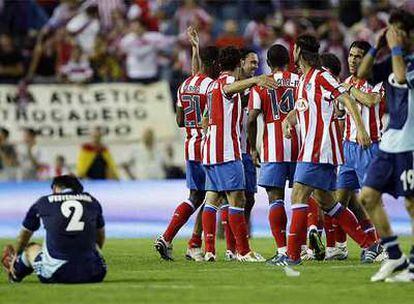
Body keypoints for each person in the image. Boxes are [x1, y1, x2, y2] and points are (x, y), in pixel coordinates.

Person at [272, 34, 374, 266]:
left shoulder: (321, 77)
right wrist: (289, 122)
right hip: (310, 149)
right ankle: (370, 244)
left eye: (293, 48)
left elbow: (346, 98)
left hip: (320, 148)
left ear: (297, 50)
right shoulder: (303, 79)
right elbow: (302, 110)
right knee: (328, 202)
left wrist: (360, 128)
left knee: (298, 194)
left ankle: (292, 255)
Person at [201, 46, 277, 262]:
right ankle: (243, 251)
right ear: (237, 66)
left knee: (212, 198)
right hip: (226, 151)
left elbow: (205, 119)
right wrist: (255, 80)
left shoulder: (211, 87)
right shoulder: (226, 84)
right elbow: (231, 89)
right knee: (238, 199)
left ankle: (209, 251)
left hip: (210, 151)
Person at [358, 20, 414, 282]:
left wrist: (394, 48)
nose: (394, 34)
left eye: (398, 30)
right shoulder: (392, 57)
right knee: (367, 197)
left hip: (411, 145)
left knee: (412, 204)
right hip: (389, 143)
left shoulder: (406, 61)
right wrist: (376, 46)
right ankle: (395, 256)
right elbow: (362, 73)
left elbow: (401, 78)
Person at [154, 44, 219, 262]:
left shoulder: (184, 85)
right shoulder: (212, 86)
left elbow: (180, 120)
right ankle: (197, 246)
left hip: (191, 147)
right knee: (213, 197)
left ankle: (167, 236)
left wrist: (195, 47)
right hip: (209, 148)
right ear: (215, 64)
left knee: (195, 197)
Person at [332, 41, 385, 261]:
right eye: (351, 55)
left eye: (358, 56)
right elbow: (340, 112)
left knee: (371, 200)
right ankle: (341, 246)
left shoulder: (376, 82)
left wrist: (349, 89)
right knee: (339, 200)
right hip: (348, 149)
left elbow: (372, 101)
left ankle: (383, 247)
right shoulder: (345, 82)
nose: (353, 60)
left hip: (369, 147)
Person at [1, 175, 107, 284]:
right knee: (91, 246)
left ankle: (15, 271)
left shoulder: (42, 202)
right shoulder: (93, 201)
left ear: (56, 187)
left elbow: (23, 238)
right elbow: (100, 239)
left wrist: (17, 255)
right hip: (96, 273)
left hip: (58, 274)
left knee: (30, 249)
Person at [248, 44, 300, 263]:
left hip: (273, 150)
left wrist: (252, 147)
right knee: (305, 199)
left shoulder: (261, 85)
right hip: (300, 147)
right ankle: (303, 247)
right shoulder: (300, 80)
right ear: (288, 61)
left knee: (275, 199)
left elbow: (251, 118)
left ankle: (282, 250)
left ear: (267, 63)